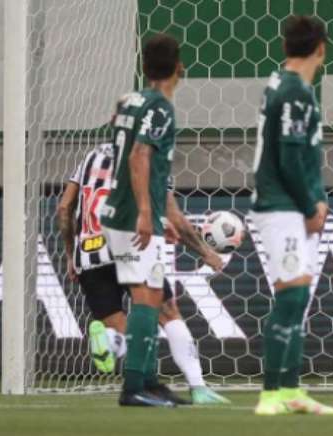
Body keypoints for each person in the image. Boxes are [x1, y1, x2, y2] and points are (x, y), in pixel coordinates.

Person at [100, 33, 222, 407]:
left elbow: (120, 130)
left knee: (149, 295)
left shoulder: (129, 100)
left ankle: (149, 382)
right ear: (178, 67)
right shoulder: (159, 108)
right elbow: (139, 155)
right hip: (132, 215)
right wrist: (144, 212)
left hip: (116, 210)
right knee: (148, 295)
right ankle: (135, 386)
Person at [58, 139, 229, 405]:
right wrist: (207, 253)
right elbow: (175, 218)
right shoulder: (149, 157)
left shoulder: (92, 155)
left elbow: (64, 207)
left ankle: (114, 343)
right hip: (131, 246)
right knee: (167, 312)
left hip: (88, 253)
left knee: (123, 326)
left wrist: (71, 254)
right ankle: (198, 388)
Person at [248, 16, 333, 415]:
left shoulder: (279, 84)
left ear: (286, 47)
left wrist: (315, 198)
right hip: (281, 205)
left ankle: (290, 390)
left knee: (297, 295)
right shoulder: (296, 92)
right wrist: (311, 204)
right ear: (321, 47)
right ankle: (271, 393)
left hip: (287, 203)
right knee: (291, 292)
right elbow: (289, 158)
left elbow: (299, 155)